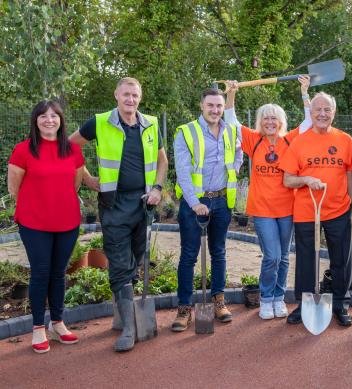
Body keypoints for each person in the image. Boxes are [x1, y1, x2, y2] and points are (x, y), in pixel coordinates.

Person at [69, 77, 168, 352]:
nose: (131, 100)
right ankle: (128, 327)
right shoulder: (99, 122)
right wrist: (87, 178)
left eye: (135, 95)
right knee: (120, 262)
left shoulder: (150, 124)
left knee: (137, 258)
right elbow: (69, 146)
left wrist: (158, 188)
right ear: (116, 95)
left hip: (142, 204)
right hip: (113, 205)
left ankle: (121, 313)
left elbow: (162, 160)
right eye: (126, 94)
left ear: (140, 97)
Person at [221, 77, 311, 321]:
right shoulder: (254, 139)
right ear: (261, 121)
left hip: (287, 208)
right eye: (266, 118)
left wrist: (304, 92)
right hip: (262, 209)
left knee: (283, 257)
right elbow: (230, 120)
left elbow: (309, 121)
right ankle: (266, 297)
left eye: (274, 118)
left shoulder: (289, 140)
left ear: (281, 121)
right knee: (271, 256)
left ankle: (279, 298)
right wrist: (232, 93)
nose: (270, 122)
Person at [8, 100, 84, 353]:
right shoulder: (23, 150)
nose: (49, 120)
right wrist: (34, 206)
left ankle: (58, 323)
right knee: (41, 271)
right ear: (36, 121)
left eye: (54, 115)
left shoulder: (72, 150)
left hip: (67, 220)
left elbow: (76, 183)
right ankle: (38, 327)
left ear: (61, 120)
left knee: (59, 272)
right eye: (43, 116)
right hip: (34, 222)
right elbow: (13, 187)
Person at [280, 92, 352, 327]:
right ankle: (304, 304)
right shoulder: (299, 142)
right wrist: (306, 180)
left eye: (327, 110)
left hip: (338, 211)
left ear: (333, 112)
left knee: (341, 259)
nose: (322, 114)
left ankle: (341, 304)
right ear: (310, 112)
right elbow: (288, 180)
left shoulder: (345, 140)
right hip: (307, 212)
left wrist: (349, 202)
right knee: (305, 259)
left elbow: (350, 175)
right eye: (318, 110)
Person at [170, 87, 242, 331]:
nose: (215, 110)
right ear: (201, 106)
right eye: (210, 105)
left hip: (222, 201)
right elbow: (182, 172)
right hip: (194, 204)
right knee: (189, 255)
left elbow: (239, 154)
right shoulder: (186, 132)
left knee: (219, 252)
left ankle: (219, 301)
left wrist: (235, 169)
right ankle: (184, 308)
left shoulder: (231, 131)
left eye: (219, 106)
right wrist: (194, 203)